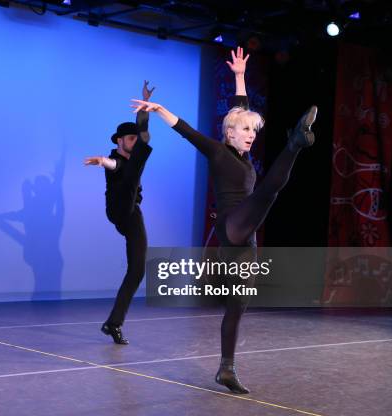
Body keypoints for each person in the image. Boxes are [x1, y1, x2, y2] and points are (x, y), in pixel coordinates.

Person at [132, 47, 317, 393]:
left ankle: (226, 369)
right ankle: (294, 143)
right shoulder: (218, 151)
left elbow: (241, 107)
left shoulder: (245, 156)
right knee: (268, 193)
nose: (250, 134)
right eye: (244, 130)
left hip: (245, 236)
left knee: (238, 303)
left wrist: (239, 75)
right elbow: (186, 131)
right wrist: (158, 110)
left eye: (253, 132)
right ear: (229, 133)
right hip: (231, 223)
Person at [84, 81, 155, 345]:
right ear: (119, 141)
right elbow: (114, 165)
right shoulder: (115, 158)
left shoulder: (137, 155)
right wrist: (104, 161)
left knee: (137, 269)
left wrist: (145, 108)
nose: (133, 141)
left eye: (136, 138)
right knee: (127, 172)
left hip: (131, 213)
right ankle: (113, 322)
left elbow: (143, 136)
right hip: (118, 207)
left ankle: (113, 323)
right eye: (130, 138)